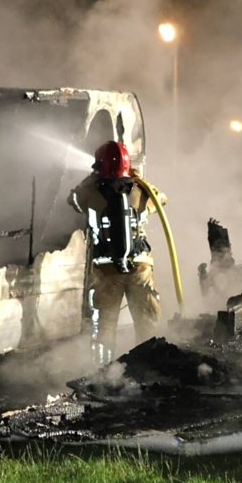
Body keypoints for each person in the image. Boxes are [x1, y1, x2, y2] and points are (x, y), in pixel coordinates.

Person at [69, 141, 167, 356]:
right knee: (147, 321)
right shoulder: (141, 191)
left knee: (103, 326)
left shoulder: (89, 193)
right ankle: (150, 366)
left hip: (106, 271)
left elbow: (73, 200)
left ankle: (103, 373)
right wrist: (137, 178)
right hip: (140, 268)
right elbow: (162, 199)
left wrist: (91, 178)